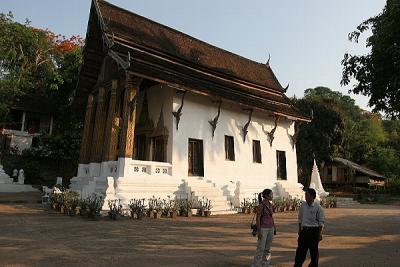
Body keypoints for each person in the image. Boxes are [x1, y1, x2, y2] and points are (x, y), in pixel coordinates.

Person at [294, 188, 325, 267]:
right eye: (305, 195)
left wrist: (320, 234)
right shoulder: (303, 205)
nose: (305, 196)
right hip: (304, 231)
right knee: (300, 252)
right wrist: (299, 230)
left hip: (313, 231)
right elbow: (300, 219)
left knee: (314, 252)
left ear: (312, 196)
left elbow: (321, 222)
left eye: (307, 195)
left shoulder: (318, 208)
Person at [252, 188, 275, 267]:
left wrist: (274, 227)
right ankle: (255, 265)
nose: (272, 196)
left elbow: (271, 217)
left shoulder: (271, 205)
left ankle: (266, 264)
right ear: (266, 196)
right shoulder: (261, 206)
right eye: (271, 194)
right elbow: (258, 218)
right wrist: (259, 231)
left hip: (270, 227)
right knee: (260, 249)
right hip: (263, 228)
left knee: (268, 248)